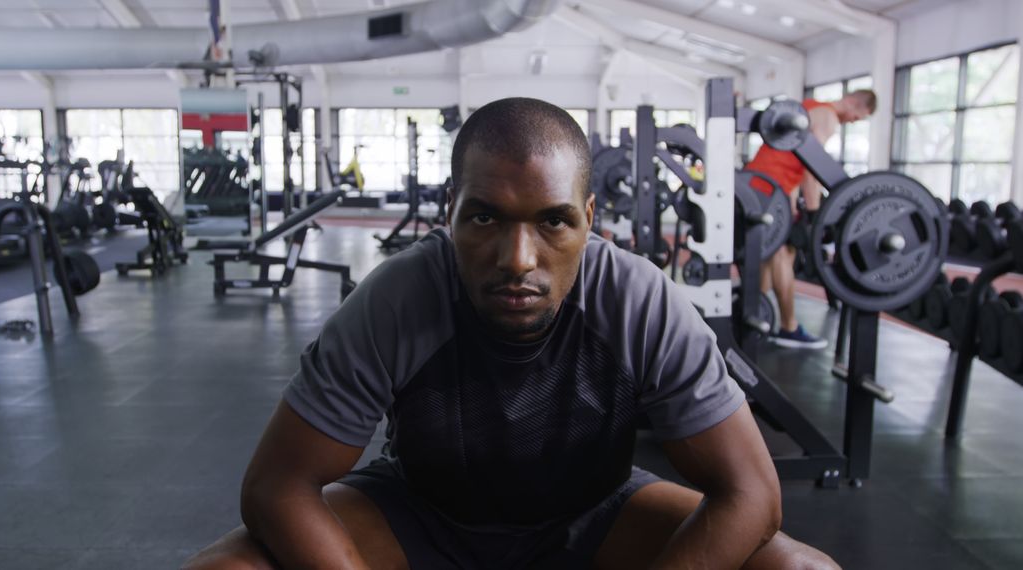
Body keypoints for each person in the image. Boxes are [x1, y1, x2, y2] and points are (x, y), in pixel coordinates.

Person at [184, 98, 838, 570]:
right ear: (452, 214)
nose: (517, 259)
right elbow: (275, 487)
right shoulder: (397, 299)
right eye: (486, 218)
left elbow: (753, 496)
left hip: (595, 516)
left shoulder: (640, 302)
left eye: (552, 222)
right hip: (423, 517)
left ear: (589, 220)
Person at [745, 89, 877, 349]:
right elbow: (811, 167)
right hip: (769, 190)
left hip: (762, 187)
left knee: (768, 252)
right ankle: (788, 327)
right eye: (857, 116)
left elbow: (788, 159)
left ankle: (755, 315)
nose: (853, 121)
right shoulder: (827, 116)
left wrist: (792, 207)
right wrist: (815, 215)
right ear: (852, 102)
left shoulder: (808, 107)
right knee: (784, 254)